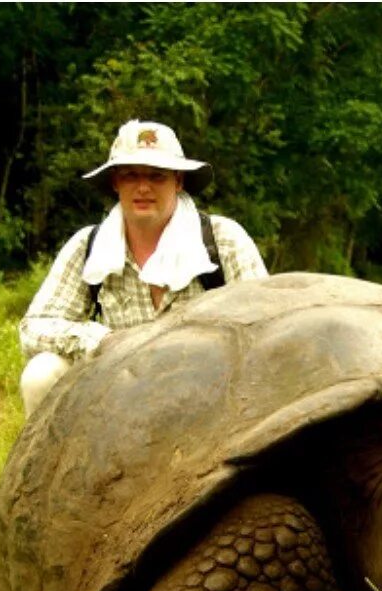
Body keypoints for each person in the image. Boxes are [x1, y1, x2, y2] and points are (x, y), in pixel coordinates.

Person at [18, 120, 268, 414]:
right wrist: (103, 342)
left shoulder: (223, 240)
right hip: (118, 391)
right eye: (130, 175)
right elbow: (34, 328)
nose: (143, 187)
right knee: (41, 373)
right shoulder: (89, 245)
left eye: (156, 176)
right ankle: (57, 461)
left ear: (178, 181)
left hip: (208, 393)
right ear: (115, 182)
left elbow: (265, 327)